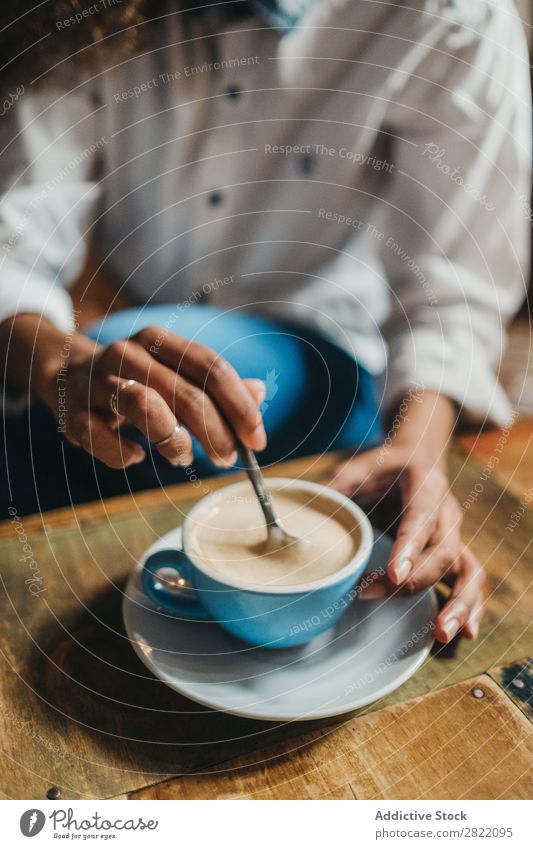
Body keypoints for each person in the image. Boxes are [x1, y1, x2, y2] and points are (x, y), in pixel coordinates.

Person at [0, 0, 530, 643]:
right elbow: (13, 237)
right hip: (129, 349)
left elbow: (456, 288)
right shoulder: (76, 12)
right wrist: (62, 363)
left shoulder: (454, 16)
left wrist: (415, 453)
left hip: (338, 380)